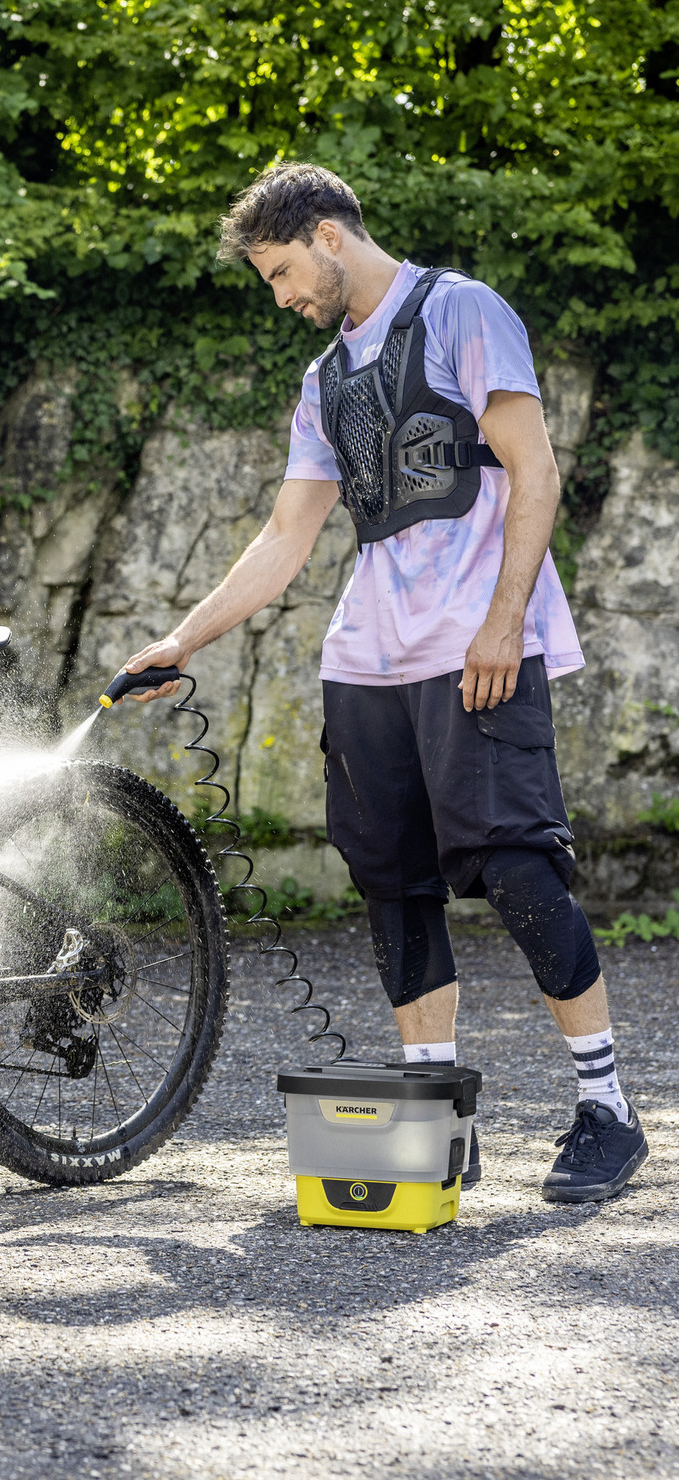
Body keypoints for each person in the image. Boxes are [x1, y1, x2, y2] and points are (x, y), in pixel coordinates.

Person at [119, 162, 648, 1203]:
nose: (279, 296)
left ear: (326, 234)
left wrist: (504, 624)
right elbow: (286, 536)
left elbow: (532, 470)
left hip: (476, 644)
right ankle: (435, 1116)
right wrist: (181, 640)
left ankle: (607, 1109)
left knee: (515, 867)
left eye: (279, 272)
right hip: (368, 656)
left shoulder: (461, 312)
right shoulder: (323, 383)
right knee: (392, 880)